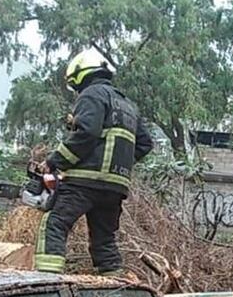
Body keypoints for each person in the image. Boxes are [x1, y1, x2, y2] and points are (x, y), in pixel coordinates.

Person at [34, 47, 153, 276]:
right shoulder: (128, 105)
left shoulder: (92, 94)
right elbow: (145, 144)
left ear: (81, 75)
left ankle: (46, 280)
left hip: (84, 181)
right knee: (104, 241)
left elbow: (86, 132)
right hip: (115, 188)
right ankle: (115, 288)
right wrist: (119, 165)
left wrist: (55, 161)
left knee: (55, 224)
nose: (76, 90)